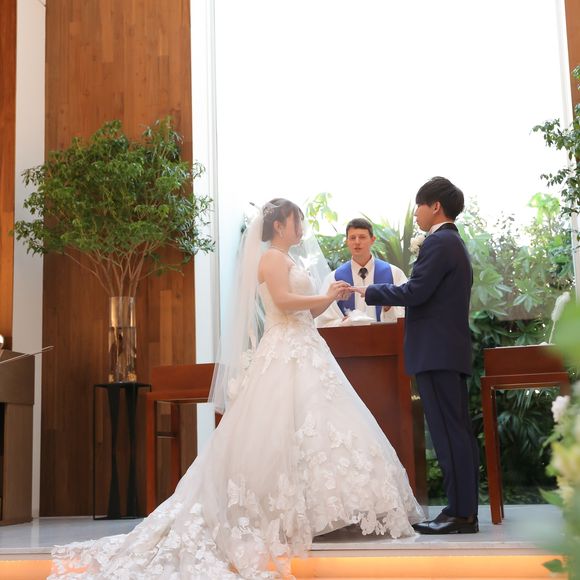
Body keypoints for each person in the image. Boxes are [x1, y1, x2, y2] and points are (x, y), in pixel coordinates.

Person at [51, 199, 423, 580]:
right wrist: (325, 296)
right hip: (284, 349)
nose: (301, 227)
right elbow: (283, 302)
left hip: (308, 346)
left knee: (321, 424)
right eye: (296, 220)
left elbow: (306, 312)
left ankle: (328, 511)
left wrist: (329, 298)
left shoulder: (288, 260)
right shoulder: (271, 259)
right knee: (280, 427)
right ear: (279, 225)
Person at [352, 177, 479, 535]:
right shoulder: (453, 242)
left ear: (435, 206)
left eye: (420, 206)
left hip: (436, 352)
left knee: (448, 433)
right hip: (447, 350)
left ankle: (460, 513)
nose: (417, 214)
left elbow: (416, 291)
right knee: (456, 432)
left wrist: (370, 291)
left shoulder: (439, 242)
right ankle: (463, 511)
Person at [315, 218, 407, 327]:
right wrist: (343, 323)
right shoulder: (334, 278)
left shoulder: (394, 273)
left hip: (385, 335)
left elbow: (407, 311)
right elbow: (323, 320)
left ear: (372, 240)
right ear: (347, 241)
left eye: (362, 237)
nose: (357, 242)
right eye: (352, 238)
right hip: (349, 337)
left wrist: (388, 308)